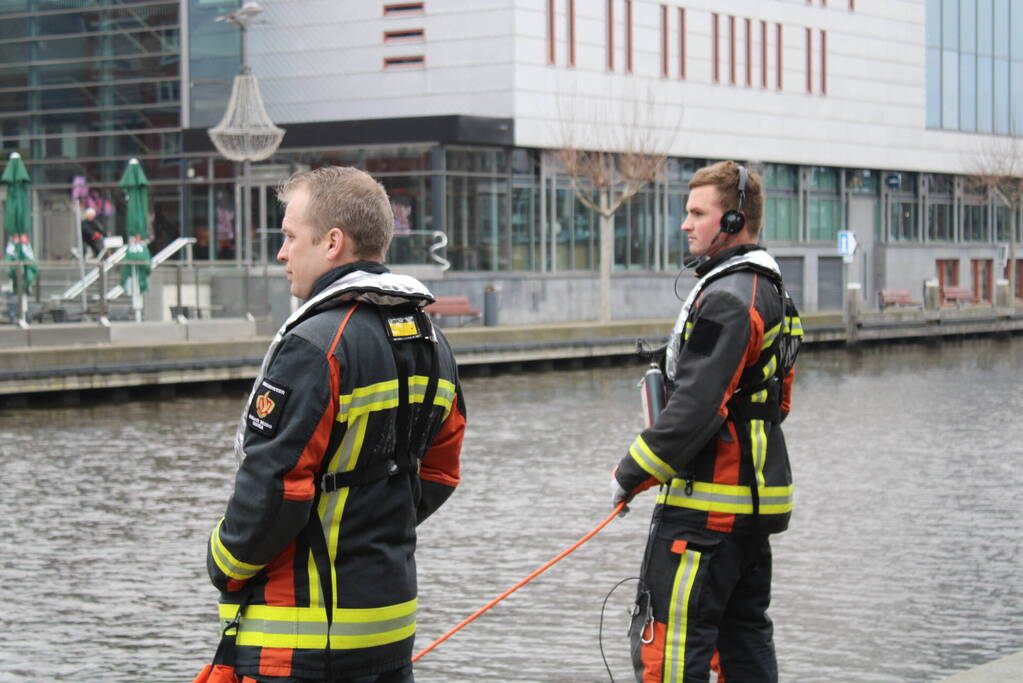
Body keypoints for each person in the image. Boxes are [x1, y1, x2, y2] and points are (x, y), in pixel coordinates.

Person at [206, 166, 467, 683]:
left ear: (331, 243)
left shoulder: (315, 345)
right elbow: (441, 470)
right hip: (388, 632)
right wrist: (367, 527)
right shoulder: (430, 341)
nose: (281, 253)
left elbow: (277, 486)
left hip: (299, 639)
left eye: (289, 237)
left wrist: (225, 565)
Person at [610, 161, 802, 682]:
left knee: (672, 649)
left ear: (735, 219)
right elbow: (776, 403)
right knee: (744, 640)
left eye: (698, 213)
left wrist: (631, 473)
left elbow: (697, 406)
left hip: (704, 517)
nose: (685, 223)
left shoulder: (727, 298)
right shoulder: (771, 290)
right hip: (750, 511)